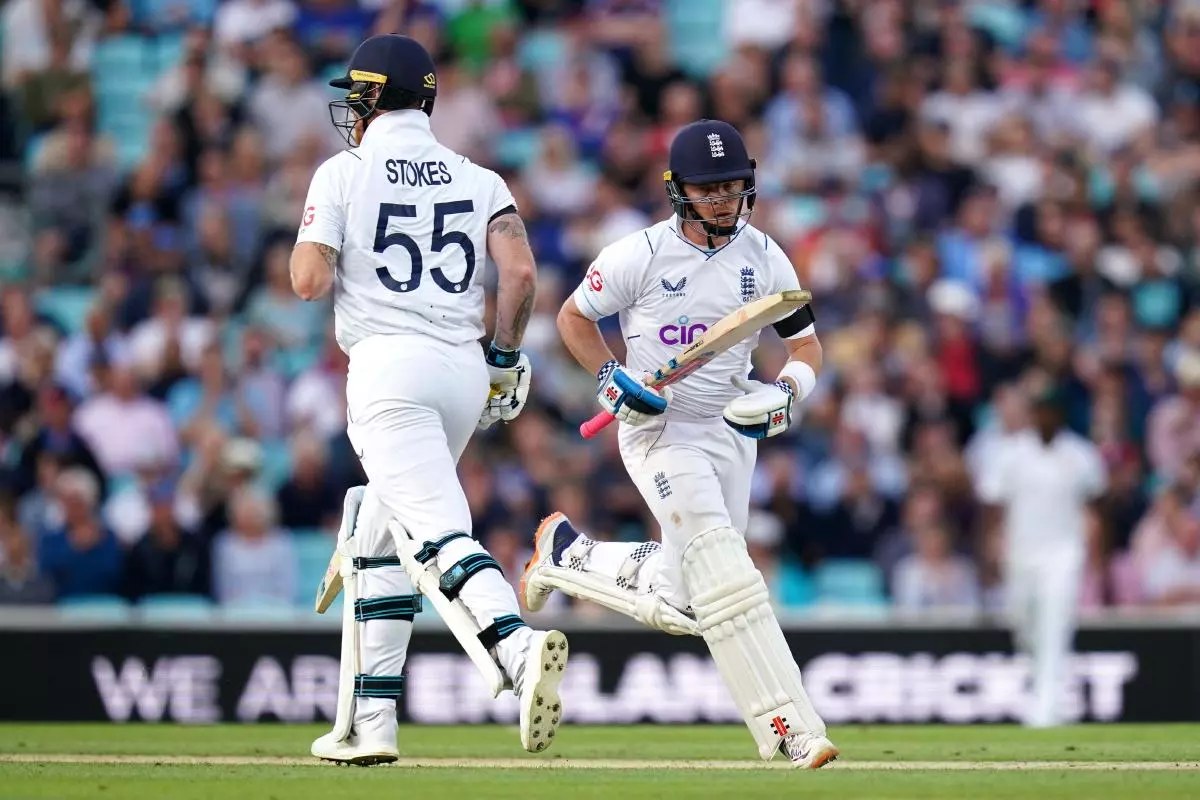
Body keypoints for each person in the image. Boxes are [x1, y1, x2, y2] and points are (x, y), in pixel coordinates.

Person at [520, 119, 837, 768]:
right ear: (678, 192)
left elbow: (804, 344)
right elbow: (573, 318)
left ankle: (566, 556)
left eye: (733, 188)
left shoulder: (765, 255)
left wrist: (786, 393)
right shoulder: (637, 254)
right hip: (660, 428)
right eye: (709, 190)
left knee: (686, 597)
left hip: (730, 427)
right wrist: (611, 377)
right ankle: (790, 727)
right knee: (728, 573)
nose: (724, 202)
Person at [290, 34, 567, 765]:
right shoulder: (479, 178)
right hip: (463, 371)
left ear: (376, 97)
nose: (350, 107)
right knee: (380, 532)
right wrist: (504, 358)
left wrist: (316, 240)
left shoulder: (342, 171)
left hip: (388, 369)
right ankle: (371, 724)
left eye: (357, 93)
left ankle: (515, 648)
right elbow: (521, 276)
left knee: (435, 533)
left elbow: (308, 283)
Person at [976, 386, 1107, 728]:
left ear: (1060, 416)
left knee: (1055, 627)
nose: (1045, 418)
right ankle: (1047, 697)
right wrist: (988, 558)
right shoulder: (1011, 453)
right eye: (1040, 412)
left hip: (1065, 556)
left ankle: (1044, 711)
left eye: (1051, 412)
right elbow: (992, 508)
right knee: (1024, 627)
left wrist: (1098, 561)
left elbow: (1096, 509)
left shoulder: (1081, 455)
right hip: (1021, 555)